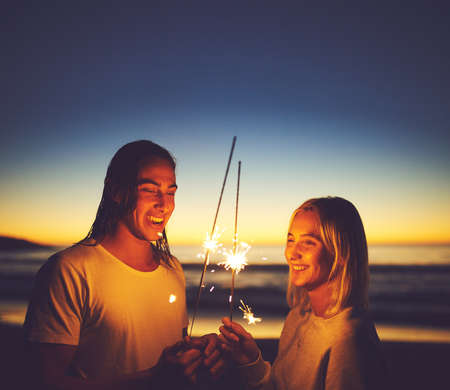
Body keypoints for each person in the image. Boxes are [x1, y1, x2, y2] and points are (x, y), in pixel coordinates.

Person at [23, 140, 224, 389]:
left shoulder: (172, 268)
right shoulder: (70, 270)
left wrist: (198, 353)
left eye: (171, 192)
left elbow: (168, 354)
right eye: (150, 190)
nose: (164, 204)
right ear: (116, 192)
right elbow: (42, 381)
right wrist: (151, 380)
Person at [219, 197, 388, 390]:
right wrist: (250, 360)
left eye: (308, 243)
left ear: (341, 253)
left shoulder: (349, 342)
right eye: (291, 240)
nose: (292, 253)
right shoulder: (298, 317)